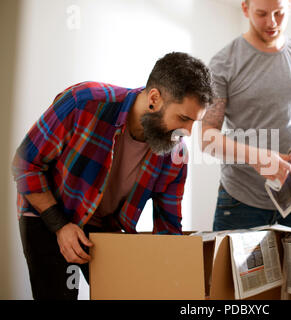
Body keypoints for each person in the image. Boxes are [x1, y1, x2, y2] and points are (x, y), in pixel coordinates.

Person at [11, 52, 214, 300]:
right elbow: (25, 164)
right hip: (47, 214)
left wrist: (175, 284)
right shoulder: (84, 102)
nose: (189, 132)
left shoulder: (175, 152)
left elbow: (168, 227)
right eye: (183, 118)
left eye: (195, 121)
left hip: (103, 228)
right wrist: (60, 226)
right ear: (154, 98)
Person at [201, 0, 291, 231]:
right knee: (227, 269)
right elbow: (207, 138)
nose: (272, 22)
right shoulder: (223, 63)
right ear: (245, 9)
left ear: (290, 7)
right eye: (262, 14)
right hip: (239, 200)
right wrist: (256, 157)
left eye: (279, 13)